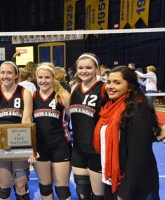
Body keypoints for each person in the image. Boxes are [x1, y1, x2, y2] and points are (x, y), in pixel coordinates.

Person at [93, 66, 160, 200]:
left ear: (129, 87)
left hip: (133, 183)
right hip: (113, 178)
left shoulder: (138, 111)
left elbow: (138, 157)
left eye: (117, 82)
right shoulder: (107, 107)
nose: (110, 86)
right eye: (109, 82)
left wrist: (124, 193)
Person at [0, 61, 35, 200]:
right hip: (1, 144)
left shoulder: (25, 92)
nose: (5, 76)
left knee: (21, 184)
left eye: (9, 73)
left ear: (16, 75)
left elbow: (26, 121)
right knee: (5, 185)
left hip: (20, 142)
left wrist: (29, 148)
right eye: (2, 73)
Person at [33, 63, 72, 200]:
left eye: (47, 77)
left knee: (62, 190)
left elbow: (76, 120)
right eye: (40, 77)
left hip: (60, 146)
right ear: (36, 78)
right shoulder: (32, 96)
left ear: (53, 78)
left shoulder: (63, 96)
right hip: (40, 147)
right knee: (45, 188)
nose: (43, 81)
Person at [69, 53, 105, 200]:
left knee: (98, 196)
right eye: (81, 68)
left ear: (96, 69)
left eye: (89, 67)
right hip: (78, 149)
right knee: (82, 194)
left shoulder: (104, 89)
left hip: (97, 150)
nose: (84, 71)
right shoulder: (75, 88)